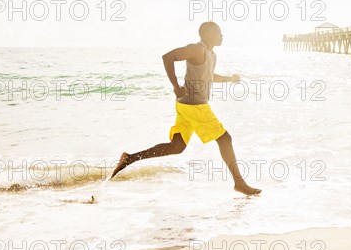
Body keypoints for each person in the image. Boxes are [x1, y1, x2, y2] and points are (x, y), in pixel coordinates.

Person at [110, 21, 261, 195]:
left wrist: (229, 79)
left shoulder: (212, 54)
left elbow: (209, 75)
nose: (222, 35)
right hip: (195, 106)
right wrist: (175, 86)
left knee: (177, 146)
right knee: (225, 139)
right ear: (209, 33)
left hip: (186, 106)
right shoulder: (197, 49)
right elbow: (168, 57)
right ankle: (239, 183)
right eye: (219, 32)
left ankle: (130, 158)